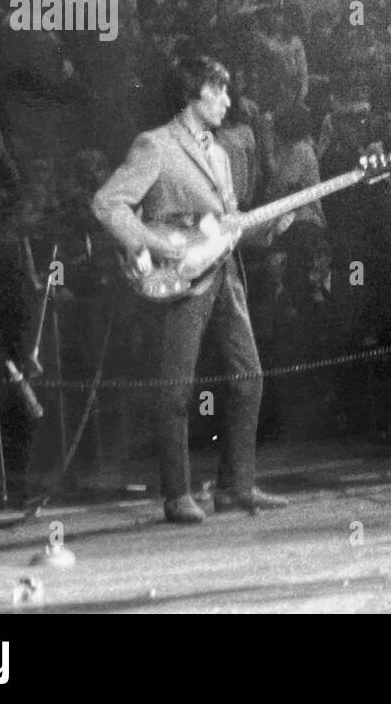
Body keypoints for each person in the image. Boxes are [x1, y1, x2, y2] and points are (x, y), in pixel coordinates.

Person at [92, 56, 288, 523]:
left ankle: (236, 487)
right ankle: (177, 493)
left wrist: (267, 228)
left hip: (225, 273)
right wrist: (159, 243)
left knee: (249, 375)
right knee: (177, 386)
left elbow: (227, 223)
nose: (227, 100)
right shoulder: (155, 145)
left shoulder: (220, 153)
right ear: (190, 94)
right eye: (217, 91)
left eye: (226, 91)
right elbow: (107, 204)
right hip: (179, 278)